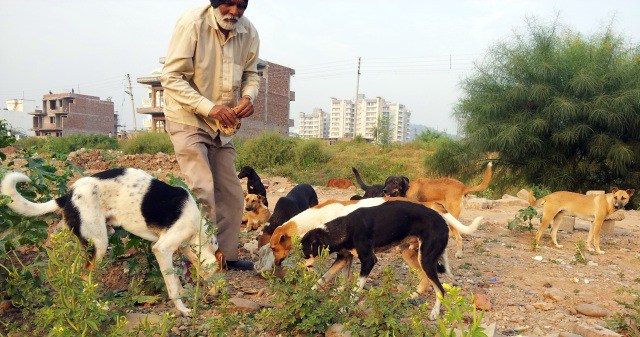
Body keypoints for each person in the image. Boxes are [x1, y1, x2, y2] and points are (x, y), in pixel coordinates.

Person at [161, 0, 259, 271]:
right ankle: (199, 261)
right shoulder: (192, 24)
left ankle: (225, 258)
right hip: (187, 118)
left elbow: (252, 74)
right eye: (228, 4)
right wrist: (210, 108)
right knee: (203, 189)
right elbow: (171, 78)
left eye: (241, 6)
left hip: (222, 125)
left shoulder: (248, 31)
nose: (234, 12)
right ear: (216, 2)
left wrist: (249, 96)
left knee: (231, 193)